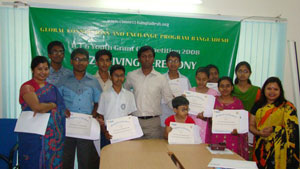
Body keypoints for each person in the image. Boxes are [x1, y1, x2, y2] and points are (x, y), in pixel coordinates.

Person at [18, 56, 68, 169]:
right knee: (32, 161)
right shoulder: (27, 87)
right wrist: (52, 105)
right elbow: (37, 107)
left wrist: (50, 108)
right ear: (33, 70)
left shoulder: (52, 88)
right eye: (39, 69)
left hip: (53, 137)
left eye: (46, 69)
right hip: (32, 133)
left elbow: (62, 109)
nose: (43, 72)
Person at [56, 48, 102, 169]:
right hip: (67, 126)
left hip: (85, 126)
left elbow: (98, 102)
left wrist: (93, 115)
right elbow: (57, 100)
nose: (80, 62)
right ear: (71, 61)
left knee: (85, 160)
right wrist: (62, 109)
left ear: (88, 62)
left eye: (83, 60)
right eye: (76, 59)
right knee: (66, 159)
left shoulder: (93, 81)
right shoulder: (64, 80)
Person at [124, 45, 173, 139]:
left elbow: (169, 99)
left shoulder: (161, 78)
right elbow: (124, 95)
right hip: (135, 121)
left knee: (152, 152)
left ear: (153, 59)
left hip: (153, 123)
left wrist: (181, 105)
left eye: (150, 56)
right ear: (139, 59)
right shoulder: (131, 75)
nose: (147, 59)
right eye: (144, 56)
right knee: (134, 152)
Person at [250, 77, 299, 169]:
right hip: (261, 147)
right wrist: (259, 133)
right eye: (269, 88)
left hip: (280, 149)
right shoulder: (258, 105)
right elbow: (251, 125)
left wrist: (274, 129)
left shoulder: (287, 107)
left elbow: (293, 131)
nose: (272, 92)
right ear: (264, 89)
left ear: (280, 91)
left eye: (275, 89)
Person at [206, 76, 248, 160]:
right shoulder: (213, 101)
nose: (225, 89)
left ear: (232, 87)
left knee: (232, 161)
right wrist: (214, 115)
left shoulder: (238, 103)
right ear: (218, 88)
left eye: (228, 86)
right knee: (216, 160)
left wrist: (238, 131)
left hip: (233, 137)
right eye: (222, 86)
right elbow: (208, 120)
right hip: (217, 136)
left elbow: (242, 123)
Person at [97, 64, 137, 146]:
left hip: (125, 133)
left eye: (121, 75)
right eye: (116, 75)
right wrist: (105, 132)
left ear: (124, 78)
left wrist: (131, 132)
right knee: (108, 157)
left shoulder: (129, 95)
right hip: (108, 134)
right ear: (110, 77)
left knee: (123, 157)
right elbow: (100, 116)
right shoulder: (104, 95)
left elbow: (130, 115)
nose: (119, 78)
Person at [232, 61, 261, 153]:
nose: (242, 74)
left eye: (245, 71)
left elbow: (259, 109)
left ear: (250, 73)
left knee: (249, 151)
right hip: (234, 124)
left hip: (251, 125)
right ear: (236, 73)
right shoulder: (231, 89)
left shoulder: (257, 90)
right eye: (240, 71)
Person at [161, 51, 191, 127]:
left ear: (180, 64)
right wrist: (169, 97)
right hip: (164, 115)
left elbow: (190, 98)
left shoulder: (185, 80)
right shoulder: (161, 79)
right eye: (170, 61)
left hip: (181, 120)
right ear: (166, 63)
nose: (173, 64)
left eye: (176, 61)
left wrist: (184, 98)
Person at [190, 67, 219, 142]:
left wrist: (206, 116)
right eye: (198, 79)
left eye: (204, 79)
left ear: (208, 78)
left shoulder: (213, 93)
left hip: (206, 126)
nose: (201, 82)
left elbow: (216, 112)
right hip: (192, 123)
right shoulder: (190, 91)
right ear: (195, 78)